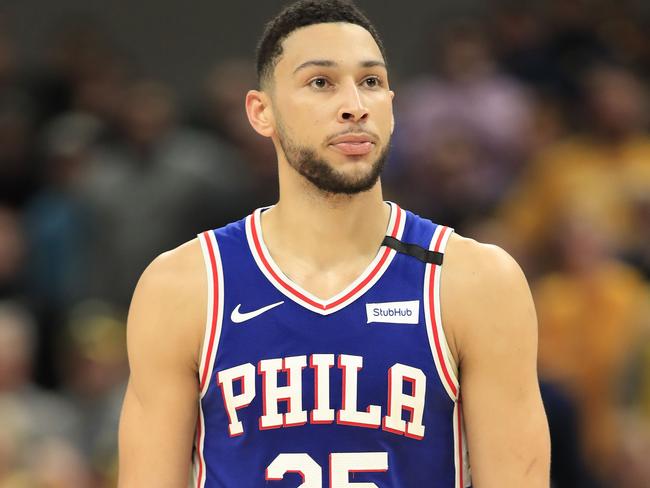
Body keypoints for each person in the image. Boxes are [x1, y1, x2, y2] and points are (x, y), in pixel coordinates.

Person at [117, 1, 550, 487]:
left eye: (370, 82)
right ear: (262, 113)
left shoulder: (475, 281)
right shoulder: (185, 285)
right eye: (320, 82)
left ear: (391, 104)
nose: (355, 105)